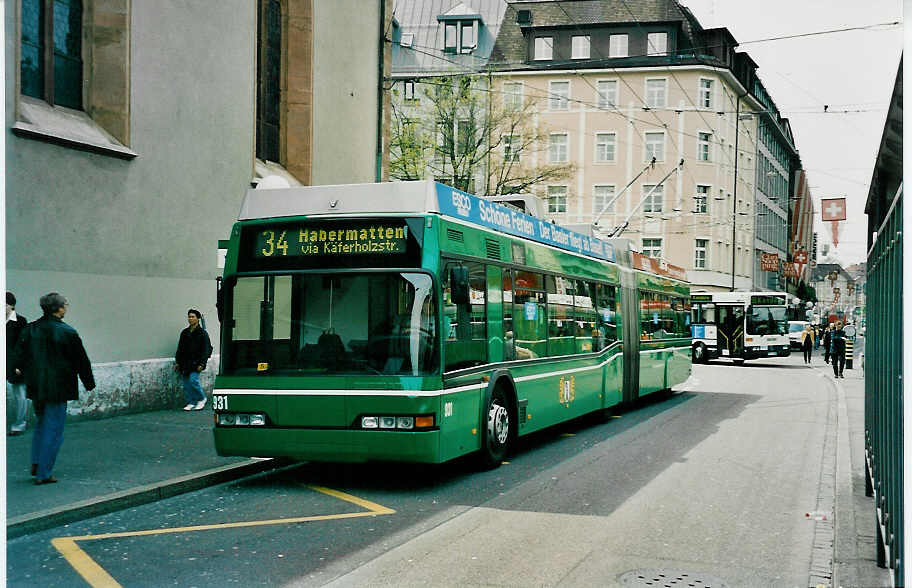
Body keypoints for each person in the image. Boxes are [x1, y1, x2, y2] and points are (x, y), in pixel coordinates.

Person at [13, 293, 95, 484]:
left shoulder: (30, 328)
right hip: (58, 387)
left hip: (37, 386)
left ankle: (36, 463)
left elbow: (18, 355)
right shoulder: (68, 332)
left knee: (41, 426)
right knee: (54, 429)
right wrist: (88, 382)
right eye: (65, 305)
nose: (67, 308)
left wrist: (20, 373)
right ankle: (44, 472)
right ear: (58, 308)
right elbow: (81, 361)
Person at [174, 309, 213, 410]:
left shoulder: (202, 333)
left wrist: (202, 363)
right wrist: (178, 362)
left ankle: (201, 398)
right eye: (189, 317)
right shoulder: (185, 332)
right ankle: (191, 401)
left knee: (193, 380)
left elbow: (206, 349)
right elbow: (180, 348)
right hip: (185, 362)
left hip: (196, 362)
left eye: (192, 317)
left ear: (198, 319)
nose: (190, 319)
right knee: (186, 383)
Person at [7, 292, 29, 436]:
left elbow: (24, 346)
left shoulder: (21, 322)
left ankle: (19, 425)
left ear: (11, 306)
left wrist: (20, 366)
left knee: (20, 395)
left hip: (14, 364)